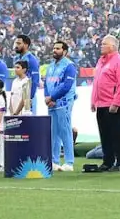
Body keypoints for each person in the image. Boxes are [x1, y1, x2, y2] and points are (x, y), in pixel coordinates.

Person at [91, 35, 120, 172]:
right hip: (101, 103)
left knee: (117, 134)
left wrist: (116, 102)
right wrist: (93, 100)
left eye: (104, 44)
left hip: (113, 104)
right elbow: (96, 82)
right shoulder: (101, 61)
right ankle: (107, 161)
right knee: (104, 134)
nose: (101, 46)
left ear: (112, 46)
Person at [45, 40, 79, 172]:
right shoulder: (50, 66)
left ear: (65, 51)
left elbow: (67, 86)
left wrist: (52, 97)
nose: (55, 50)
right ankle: (54, 161)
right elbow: (47, 83)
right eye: (54, 48)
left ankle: (69, 162)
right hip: (51, 103)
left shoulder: (69, 66)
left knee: (65, 131)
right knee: (53, 132)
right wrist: (47, 98)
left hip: (64, 102)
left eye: (58, 48)